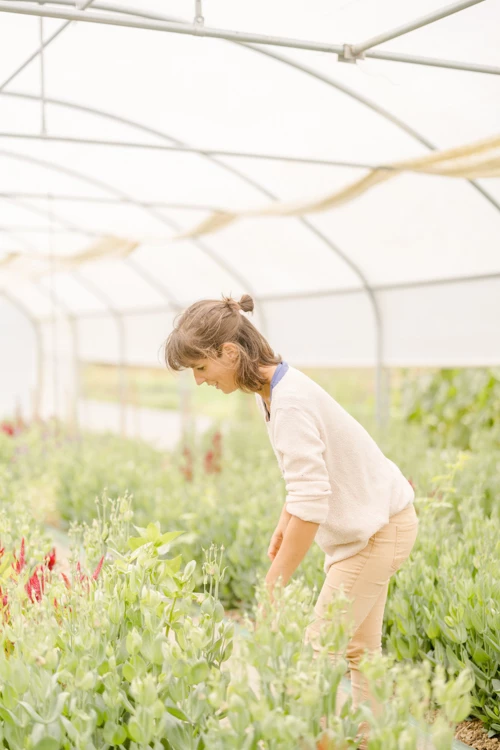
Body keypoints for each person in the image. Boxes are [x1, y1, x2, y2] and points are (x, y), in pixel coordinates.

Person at [164, 293, 419, 748]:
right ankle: (372, 740)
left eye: (200, 368)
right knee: (361, 653)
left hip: (377, 534)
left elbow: (312, 501)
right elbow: (308, 478)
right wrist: (285, 520)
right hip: (382, 524)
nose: (199, 380)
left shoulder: (289, 402)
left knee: (310, 661)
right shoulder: (276, 389)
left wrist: (273, 585)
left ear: (230, 353)